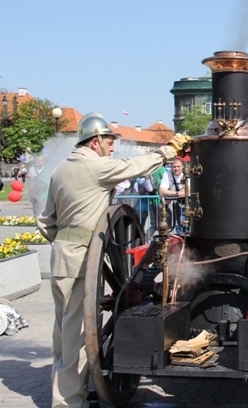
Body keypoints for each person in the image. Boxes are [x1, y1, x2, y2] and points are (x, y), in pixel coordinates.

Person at [36, 112, 190, 408]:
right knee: (76, 335)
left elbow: (46, 222)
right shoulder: (93, 167)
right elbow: (133, 167)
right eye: (109, 142)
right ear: (94, 142)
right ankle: (68, 402)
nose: (112, 148)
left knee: (62, 333)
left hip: (61, 258)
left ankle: (67, 392)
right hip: (81, 260)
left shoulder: (60, 171)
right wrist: (168, 151)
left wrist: (64, 241)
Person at [159, 158, 186, 233]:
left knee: (186, 224)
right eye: (174, 167)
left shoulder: (186, 174)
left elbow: (188, 189)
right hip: (173, 203)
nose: (176, 168)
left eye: (178, 166)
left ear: (182, 167)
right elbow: (161, 190)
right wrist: (176, 194)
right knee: (171, 225)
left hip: (186, 203)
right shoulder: (167, 174)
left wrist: (170, 193)